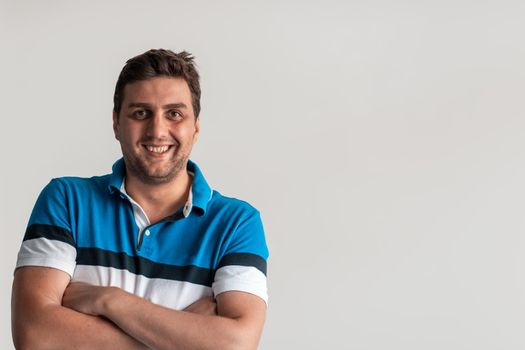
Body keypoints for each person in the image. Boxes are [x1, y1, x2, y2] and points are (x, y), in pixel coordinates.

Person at [11, 49, 269, 350]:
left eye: (174, 114)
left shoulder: (236, 223)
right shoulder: (67, 200)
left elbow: (235, 344)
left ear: (195, 128)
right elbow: (35, 336)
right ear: (116, 124)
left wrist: (109, 300)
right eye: (140, 113)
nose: (157, 131)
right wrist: (185, 338)